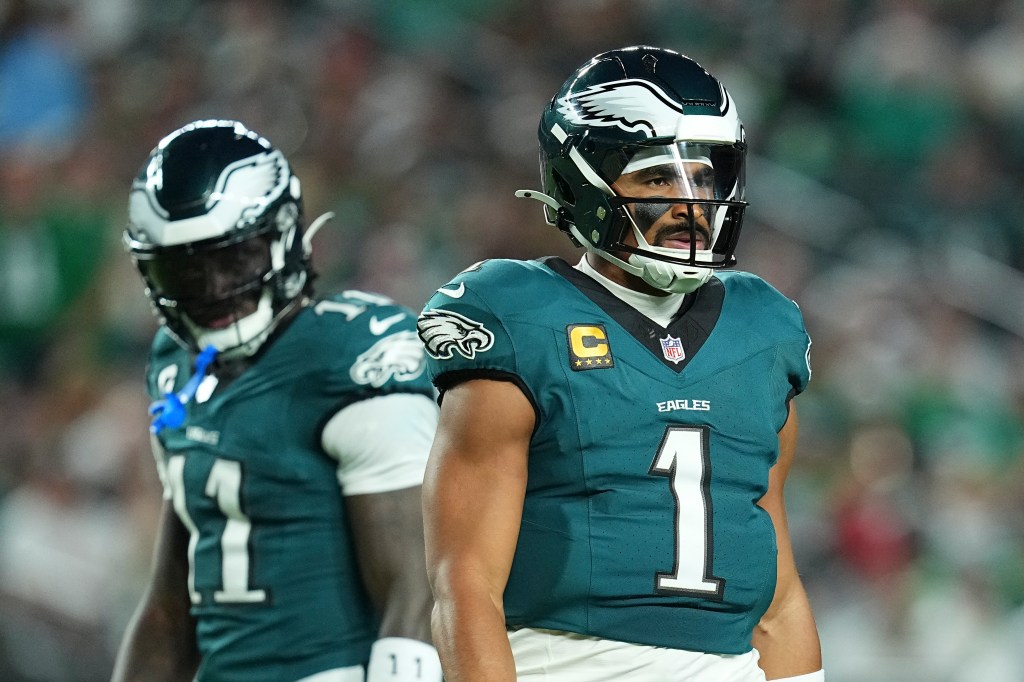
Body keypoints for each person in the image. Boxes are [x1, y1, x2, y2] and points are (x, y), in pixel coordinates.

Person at [417, 46, 824, 681]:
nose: (692, 203)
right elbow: (464, 585)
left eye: (705, 176)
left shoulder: (762, 328)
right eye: (660, 177)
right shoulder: (517, 315)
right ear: (584, 183)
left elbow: (777, 594)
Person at [111, 119, 443, 682]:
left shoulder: (350, 351)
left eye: (232, 258)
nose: (213, 289)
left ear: (282, 234)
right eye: (183, 269)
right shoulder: (177, 362)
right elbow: (171, 605)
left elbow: (417, 594)